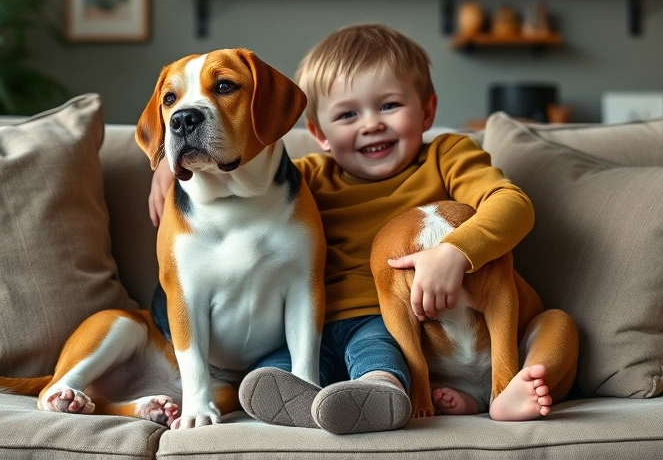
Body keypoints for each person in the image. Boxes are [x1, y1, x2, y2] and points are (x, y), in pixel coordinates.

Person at [148, 24, 575, 433]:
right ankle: (292, 404)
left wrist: (456, 252)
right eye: (348, 114)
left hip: (383, 322)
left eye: (389, 105)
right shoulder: (306, 179)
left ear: (427, 110)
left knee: (380, 355)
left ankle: (396, 393)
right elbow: (250, 174)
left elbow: (513, 205)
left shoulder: (448, 154)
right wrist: (174, 165)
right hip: (319, 327)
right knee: (268, 374)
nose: (371, 123)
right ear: (319, 133)